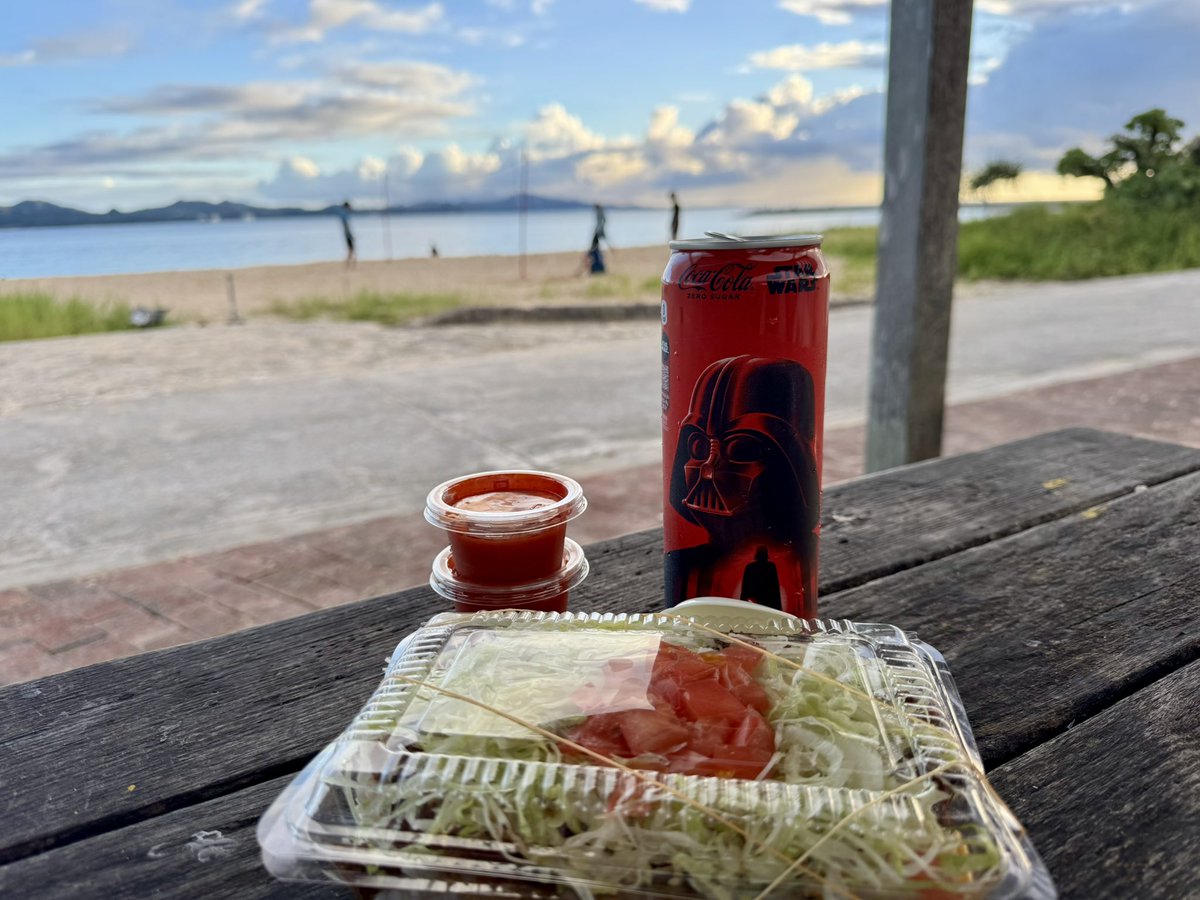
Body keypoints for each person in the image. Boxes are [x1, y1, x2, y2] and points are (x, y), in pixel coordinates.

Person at [339, 201, 356, 268]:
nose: (350, 208)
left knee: (351, 250)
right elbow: (346, 227)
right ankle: (349, 264)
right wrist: (350, 235)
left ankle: (350, 264)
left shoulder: (344, 215)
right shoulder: (345, 215)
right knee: (351, 249)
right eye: (349, 206)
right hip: (347, 235)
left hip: (347, 234)